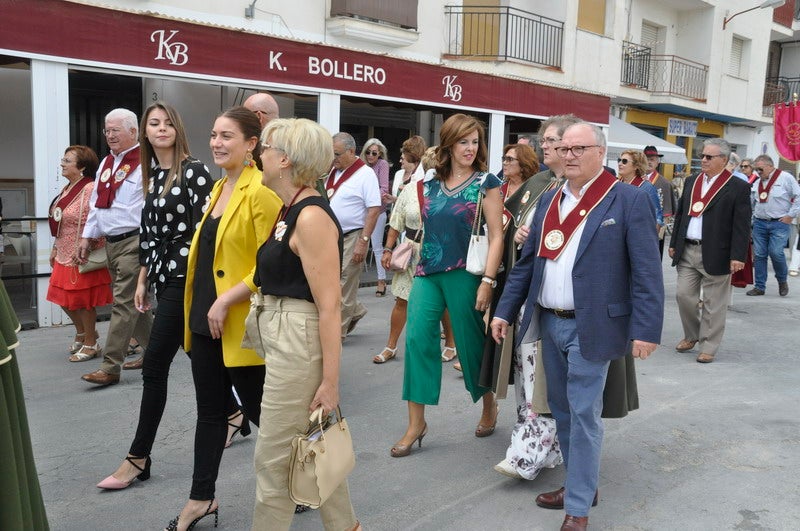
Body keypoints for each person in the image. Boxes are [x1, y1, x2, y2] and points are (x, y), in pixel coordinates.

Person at [491, 122, 664, 531]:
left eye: (577, 148)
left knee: (584, 413)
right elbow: (530, 263)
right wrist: (504, 310)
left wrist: (646, 330)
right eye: (563, 148)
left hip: (594, 326)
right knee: (563, 412)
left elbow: (647, 272)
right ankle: (578, 484)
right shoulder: (552, 200)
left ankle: (579, 507)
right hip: (550, 322)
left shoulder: (628, 200)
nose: (567, 155)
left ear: (599, 152)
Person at [96, 102, 240, 490]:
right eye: (153, 124)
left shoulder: (193, 172)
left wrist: (204, 288)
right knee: (198, 353)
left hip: (186, 277)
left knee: (155, 364)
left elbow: (204, 232)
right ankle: (234, 411)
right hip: (161, 274)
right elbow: (151, 232)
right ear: (144, 132)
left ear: (177, 129)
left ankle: (137, 457)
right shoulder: (152, 174)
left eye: (167, 123)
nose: (160, 129)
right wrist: (143, 276)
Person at [165, 107, 281, 531]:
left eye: (227, 136)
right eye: (214, 134)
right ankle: (201, 499)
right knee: (211, 413)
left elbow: (271, 263)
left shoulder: (261, 192)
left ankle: (300, 481)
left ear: (252, 143)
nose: (216, 142)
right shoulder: (218, 188)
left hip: (240, 326)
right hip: (203, 321)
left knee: (265, 415)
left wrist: (226, 300)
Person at [250, 117, 361, 531]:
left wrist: (330, 383)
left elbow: (330, 307)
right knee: (315, 444)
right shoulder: (292, 207)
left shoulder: (311, 216)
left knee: (275, 459)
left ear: (284, 159)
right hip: (286, 337)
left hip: (299, 339)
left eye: (264, 148)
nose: (258, 155)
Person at [390, 113, 503, 458]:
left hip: (466, 273)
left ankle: (488, 405)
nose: (470, 148)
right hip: (427, 271)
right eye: (463, 142)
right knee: (416, 340)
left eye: (475, 142)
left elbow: (497, 235)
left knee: (470, 347)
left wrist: (488, 280)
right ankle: (416, 424)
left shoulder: (487, 183)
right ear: (449, 144)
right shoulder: (428, 185)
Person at [476, 142, 563, 479]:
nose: (551, 148)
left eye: (555, 142)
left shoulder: (562, 189)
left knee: (537, 376)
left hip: (554, 299)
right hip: (524, 291)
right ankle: (543, 445)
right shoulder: (537, 186)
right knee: (524, 374)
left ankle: (527, 451)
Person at [78, 108, 153, 386]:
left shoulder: (146, 162)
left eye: (115, 130)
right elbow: (98, 203)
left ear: (133, 132)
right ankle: (156, 351)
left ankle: (111, 367)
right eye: (107, 130)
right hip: (111, 243)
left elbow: (149, 207)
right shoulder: (107, 163)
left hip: (134, 242)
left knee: (122, 303)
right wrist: (87, 237)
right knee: (136, 302)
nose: (109, 135)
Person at [669, 138, 751, 364]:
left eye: (708, 157)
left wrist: (738, 255)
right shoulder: (692, 181)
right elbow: (681, 214)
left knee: (714, 303)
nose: (702, 160)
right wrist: (674, 242)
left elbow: (742, 225)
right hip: (688, 249)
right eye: (702, 156)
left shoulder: (738, 187)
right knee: (683, 295)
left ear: (723, 160)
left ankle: (708, 346)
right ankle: (692, 335)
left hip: (718, 252)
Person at [376, 138, 457, 365]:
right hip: (411, 251)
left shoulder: (451, 191)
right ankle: (391, 346)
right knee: (401, 300)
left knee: (442, 303)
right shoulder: (412, 190)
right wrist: (387, 250)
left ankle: (450, 344)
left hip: (437, 253)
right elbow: (396, 222)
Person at [46, 145, 112, 362]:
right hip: (63, 252)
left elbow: (98, 221)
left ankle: (91, 343)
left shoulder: (90, 188)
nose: (62, 164)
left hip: (81, 252)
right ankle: (84, 333)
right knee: (63, 299)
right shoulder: (67, 188)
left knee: (83, 302)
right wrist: (55, 247)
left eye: (67, 161)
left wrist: (87, 246)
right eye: (63, 160)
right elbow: (60, 221)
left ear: (82, 166)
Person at [325, 133, 381, 338]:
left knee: (345, 282)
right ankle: (355, 310)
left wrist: (363, 241)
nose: (334, 158)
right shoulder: (334, 170)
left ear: (351, 151)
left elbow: (374, 209)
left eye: (337, 154)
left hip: (353, 235)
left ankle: (336, 334)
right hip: (332, 237)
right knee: (331, 281)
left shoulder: (365, 174)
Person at [746, 154, 799, 297]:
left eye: (760, 169)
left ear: (770, 166)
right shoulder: (756, 180)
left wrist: (791, 215)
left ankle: (782, 280)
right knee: (759, 255)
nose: (758, 172)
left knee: (776, 252)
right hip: (759, 222)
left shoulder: (786, 178)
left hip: (779, 223)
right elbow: (752, 201)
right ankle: (759, 286)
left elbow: (798, 196)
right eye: (756, 169)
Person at [360, 138, 391, 296]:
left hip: (377, 211)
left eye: (374, 153)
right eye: (368, 152)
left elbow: (384, 189)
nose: (371, 155)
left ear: (380, 154)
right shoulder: (360, 165)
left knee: (377, 247)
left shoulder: (382, 165)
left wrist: (368, 197)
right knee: (357, 246)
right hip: (361, 211)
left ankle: (381, 281)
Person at [616, 149, 664, 229]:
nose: (620, 164)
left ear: (636, 166)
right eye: (619, 160)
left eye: (624, 161)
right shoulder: (615, 184)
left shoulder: (646, 187)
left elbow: (656, 218)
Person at [643, 145, 674, 257]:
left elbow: (666, 212)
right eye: (646, 159)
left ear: (657, 162)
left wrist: (658, 231)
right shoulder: (633, 178)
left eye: (652, 160)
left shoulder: (664, 183)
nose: (649, 162)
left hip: (655, 227)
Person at [388, 136, 427, 202]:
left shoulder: (423, 175)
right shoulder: (398, 174)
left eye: (402, 158)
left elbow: (419, 202)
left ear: (412, 155)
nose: (400, 161)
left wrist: (397, 199)